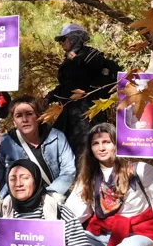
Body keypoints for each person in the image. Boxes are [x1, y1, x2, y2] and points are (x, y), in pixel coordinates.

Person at [46, 23, 122, 156]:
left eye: (64, 39)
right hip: (69, 112)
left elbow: (92, 68)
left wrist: (76, 58)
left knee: (84, 150)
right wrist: (49, 97)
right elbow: (66, 85)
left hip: (87, 113)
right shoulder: (68, 60)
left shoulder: (91, 54)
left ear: (74, 38)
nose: (62, 43)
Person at [0, 95, 76, 203]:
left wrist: (48, 195)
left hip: (51, 199)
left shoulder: (56, 138)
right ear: (14, 122)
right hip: (17, 204)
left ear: (38, 117)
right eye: (19, 116)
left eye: (29, 114)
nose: (24, 119)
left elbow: (68, 171)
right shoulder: (4, 143)